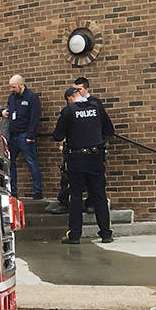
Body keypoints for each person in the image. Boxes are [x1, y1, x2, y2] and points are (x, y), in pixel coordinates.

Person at [52, 83, 115, 243]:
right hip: (96, 157)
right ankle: (106, 234)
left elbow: (57, 136)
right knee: (99, 195)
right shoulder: (97, 107)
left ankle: (74, 235)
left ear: (70, 99)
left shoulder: (68, 111)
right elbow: (109, 130)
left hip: (77, 159)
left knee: (76, 197)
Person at [47, 76, 101, 214]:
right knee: (71, 181)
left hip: (84, 152)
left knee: (82, 187)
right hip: (86, 151)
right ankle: (66, 202)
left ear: (86, 89)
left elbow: (58, 134)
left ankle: (89, 205)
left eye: (79, 89)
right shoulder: (92, 106)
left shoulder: (94, 104)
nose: (76, 91)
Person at [1, 74, 43, 198]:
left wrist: (30, 135)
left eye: (13, 87)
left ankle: (37, 191)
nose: (11, 89)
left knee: (32, 163)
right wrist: (4, 112)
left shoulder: (31, 97)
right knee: (10, 164)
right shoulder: (11, 97)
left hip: (25, 135)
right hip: (13, 136)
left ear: (20, 85)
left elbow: (34, 118)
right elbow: (8, 110)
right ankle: (12, 192)